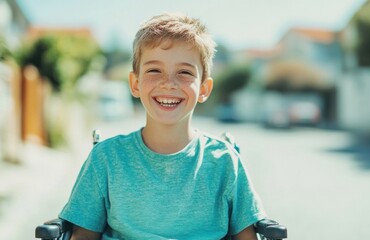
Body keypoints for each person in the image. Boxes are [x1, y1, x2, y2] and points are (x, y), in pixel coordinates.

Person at [59, 13, 266, 240]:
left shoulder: (224, 162)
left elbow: (246, 236)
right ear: (135, 84)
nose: (169, 82)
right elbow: (83, 235)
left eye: (185, 72)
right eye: (154, 70)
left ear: (204, 89)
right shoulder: (107, 158)